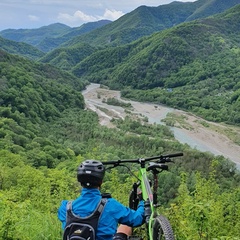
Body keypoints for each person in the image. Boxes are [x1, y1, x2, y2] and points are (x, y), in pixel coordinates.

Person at [58, 159, 144, 240]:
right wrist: (142, 202)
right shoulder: (111, 205)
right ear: (101, 182)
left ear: (80, 182)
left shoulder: (65, 207)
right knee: (125, 226)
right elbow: (138, 219)